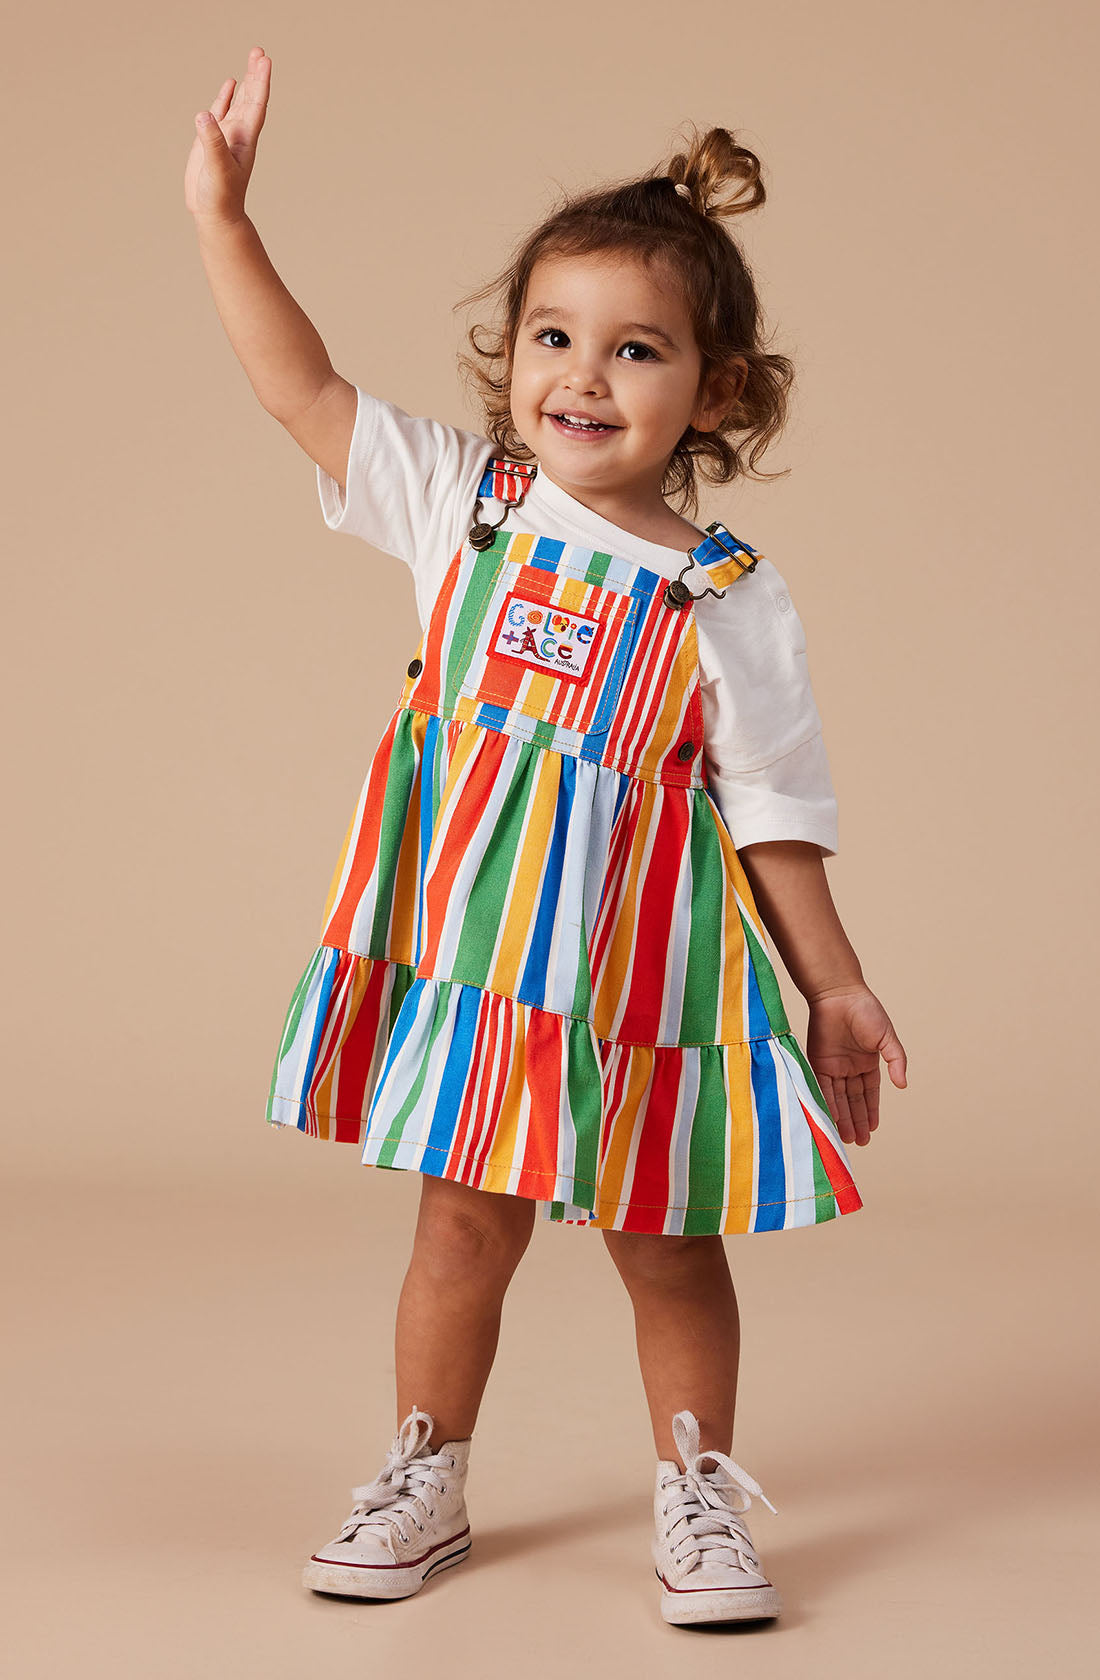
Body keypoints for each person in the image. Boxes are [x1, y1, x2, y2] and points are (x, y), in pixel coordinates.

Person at [186, 47, 908, 1629]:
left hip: (646, 971)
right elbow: (299, 389)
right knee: (461, 1220)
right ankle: (425, 1471)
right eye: (553, 338)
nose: (582, 375)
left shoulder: (729, 595)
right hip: (476, 958)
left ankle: (699, 1493)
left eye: (636, 351)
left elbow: (777, 809)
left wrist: (836, 988)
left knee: (667, 1236)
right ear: (508, 357)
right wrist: (226, 222)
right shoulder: (470, 509)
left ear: (714, 394)